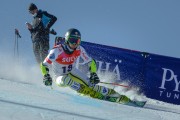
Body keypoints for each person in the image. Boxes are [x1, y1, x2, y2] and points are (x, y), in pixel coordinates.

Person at [40, 28, 147, 107]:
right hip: (58, 76)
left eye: (77, 41)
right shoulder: (57, 51)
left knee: (91, 84)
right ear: (67, 40)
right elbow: (44, 64)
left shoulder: (79, 49)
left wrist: (93, 73)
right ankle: (92, 94)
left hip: (72, 71)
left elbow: (91, 62)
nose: (75, 44)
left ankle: (123, 98)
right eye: (72, 40)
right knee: (65, 79)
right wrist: (46, 76)